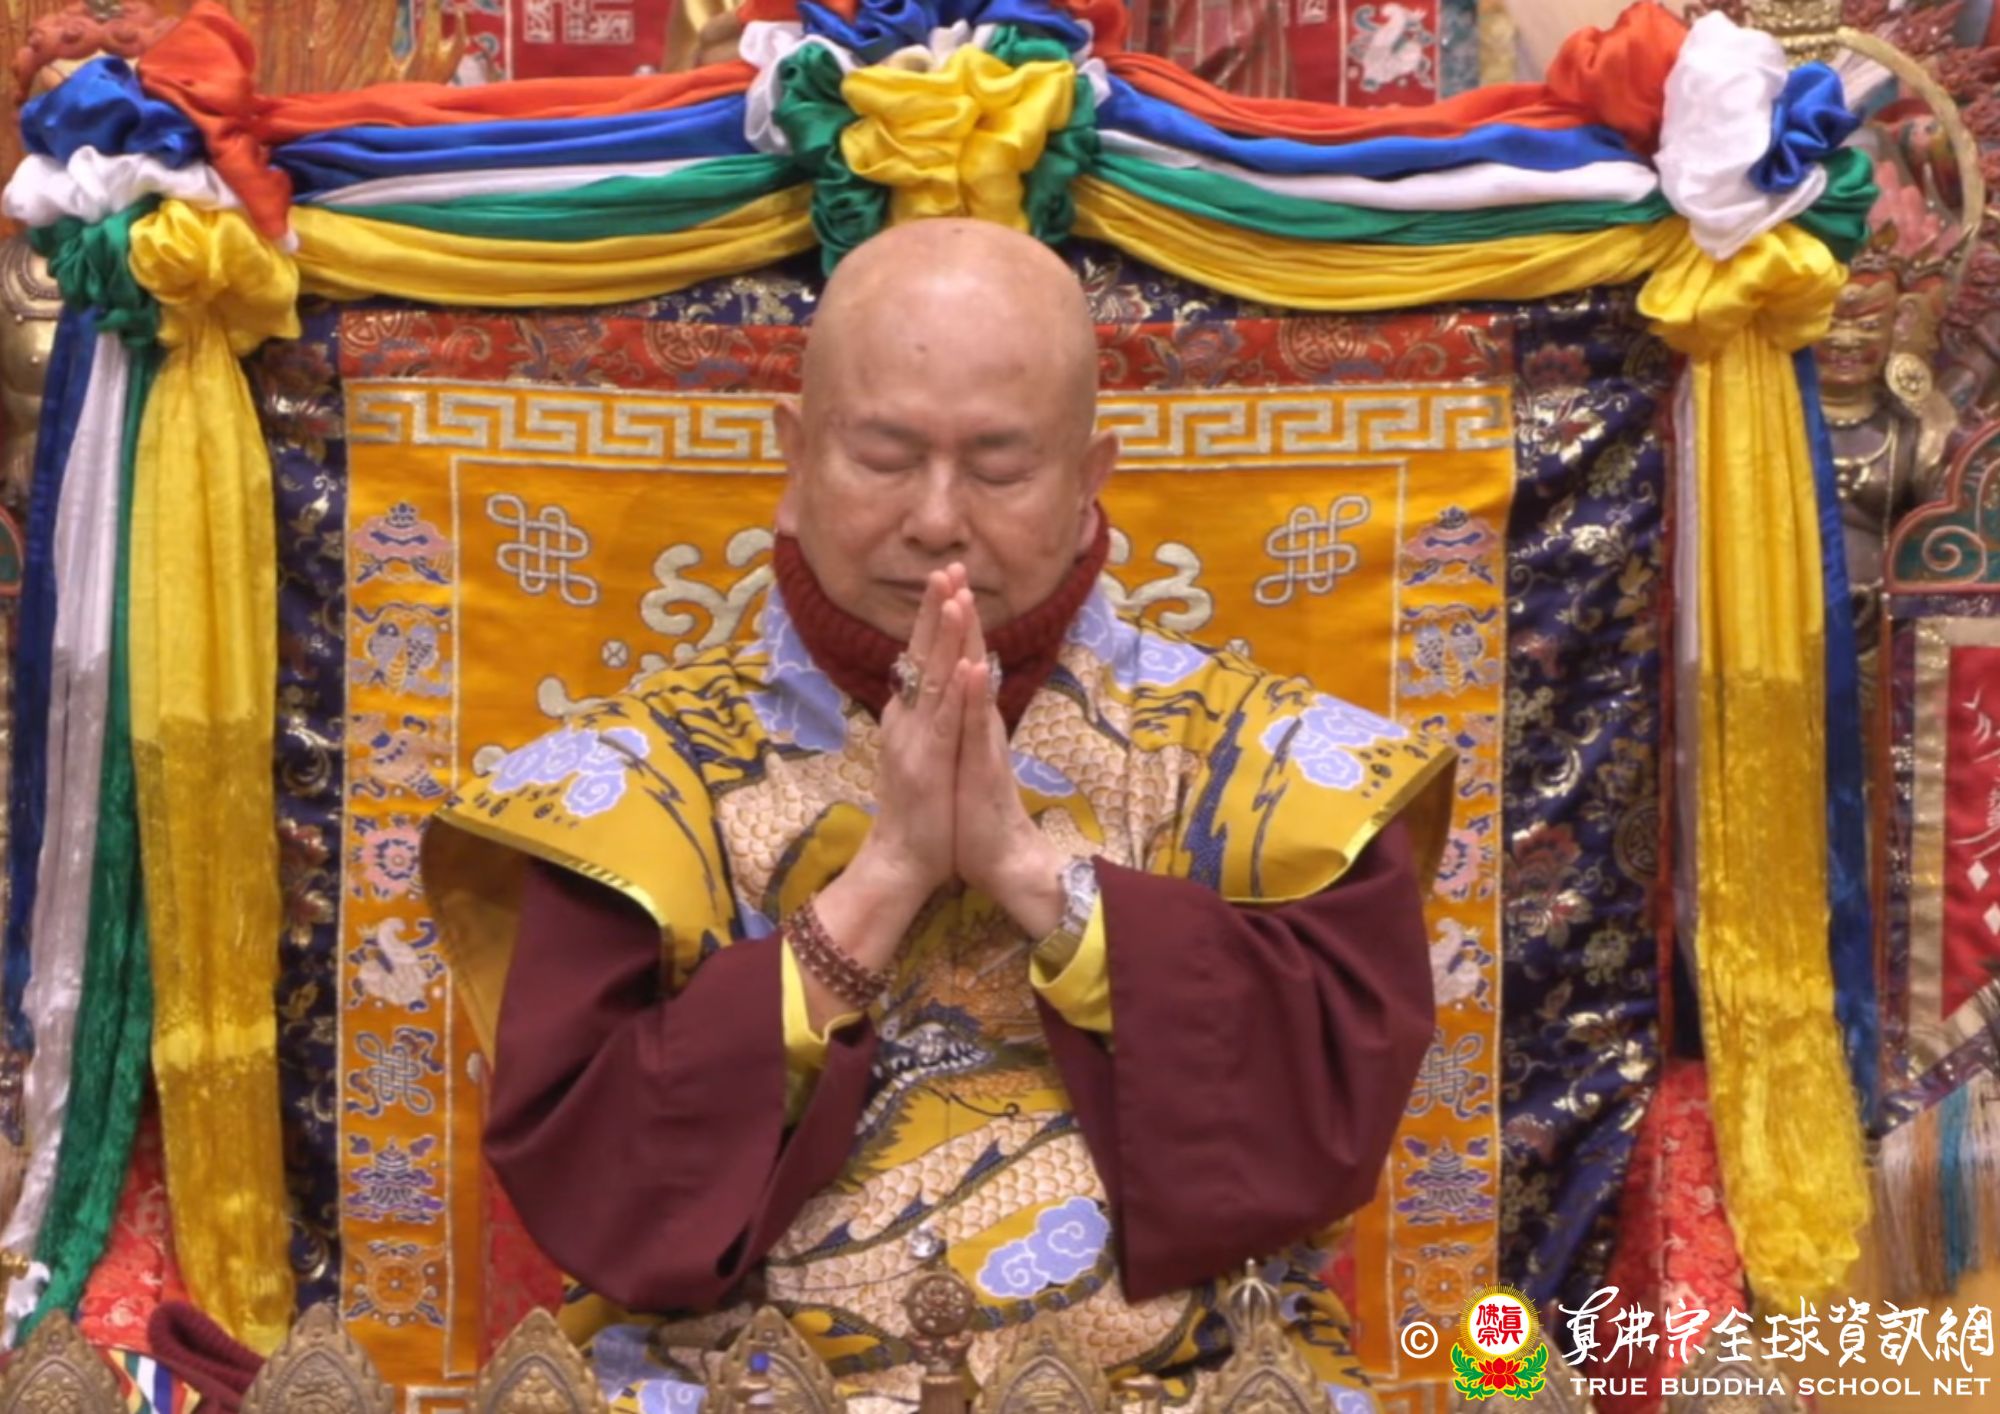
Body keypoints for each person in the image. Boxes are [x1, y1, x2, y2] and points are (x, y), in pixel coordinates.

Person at [422, 218, 1453, 1411]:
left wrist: (1033, 876)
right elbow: (594, 1180)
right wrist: (879, 884)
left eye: (999, 468)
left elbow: (1320, 1125)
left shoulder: (1256, 766)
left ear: (1089, 479)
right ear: (794, 456)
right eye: (883, 455)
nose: (936, 517)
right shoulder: (639, 780)